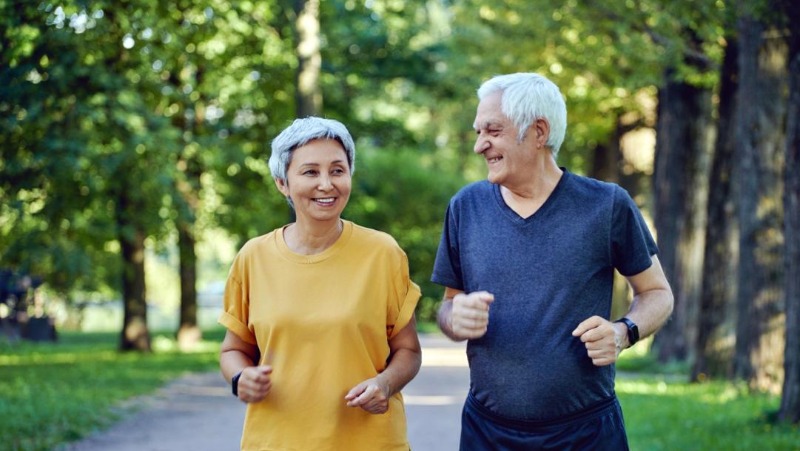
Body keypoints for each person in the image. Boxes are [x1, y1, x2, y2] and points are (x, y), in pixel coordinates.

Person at [432, 73, 674, 450]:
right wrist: (453, 316)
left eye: (492, 131)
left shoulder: (606, 205)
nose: (480, 145)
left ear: (538, 132)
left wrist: (622, 331)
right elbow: (448, 306)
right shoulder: (466, 207)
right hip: (487, 433)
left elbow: (657, 293)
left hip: (586, 434)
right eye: (479, 132)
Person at [219, 117, 422, 450]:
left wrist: (384, 384)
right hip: (276, 441)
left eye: (337, 170)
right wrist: (241, 378)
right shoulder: (253, 257)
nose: (326, 184)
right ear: (282, 183)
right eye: (310, 172)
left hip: (369, 441)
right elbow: (233, 350)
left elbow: (408, 351)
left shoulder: (383, 253)